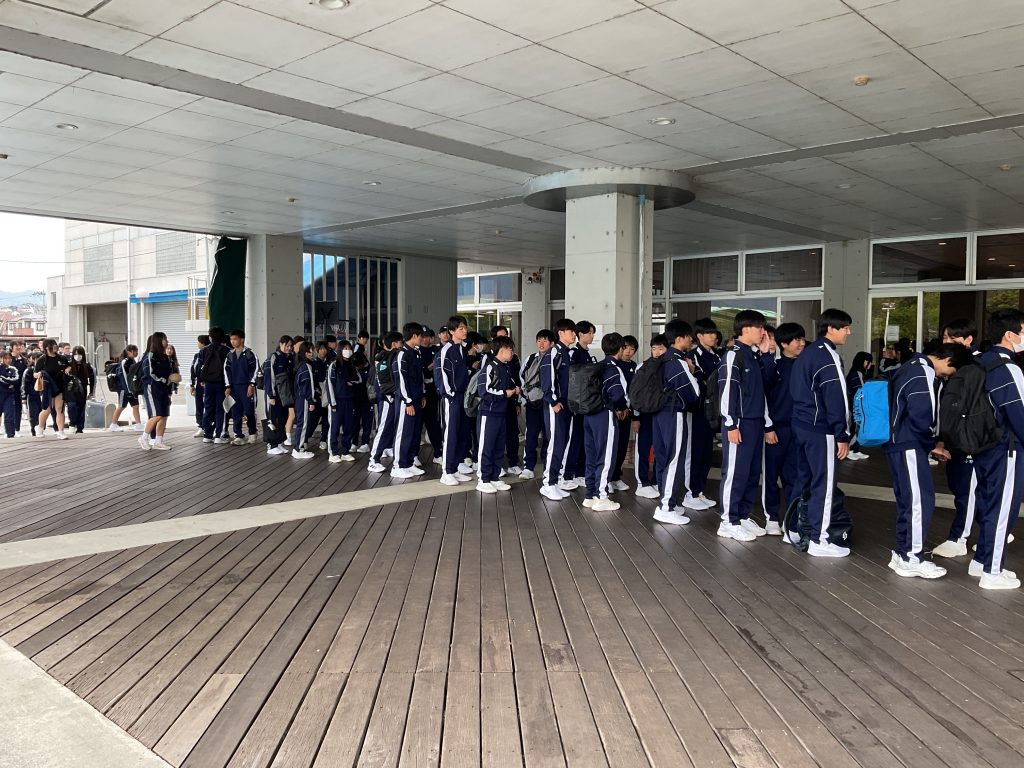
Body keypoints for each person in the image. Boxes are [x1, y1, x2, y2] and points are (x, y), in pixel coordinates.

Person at [886, 343, 970, 578]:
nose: (946, 376)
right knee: (919, 502)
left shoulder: (908, 366)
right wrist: (931, 443)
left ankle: (902, 553)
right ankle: (911, 557)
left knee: (908, 500)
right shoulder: (923, 370)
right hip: (909, 444)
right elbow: (922, 414)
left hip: (898, 442)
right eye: (950, 371)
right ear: (948, 361)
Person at [790, 308, 853, 558]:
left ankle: (796, 530)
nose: (848, 332)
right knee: (824, 485)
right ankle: (819, 539)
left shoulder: (807, 354)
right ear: (831, 329)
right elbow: (836, 398)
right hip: (820, 429)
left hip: (801, 425)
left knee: (805, 481)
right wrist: (842, 434)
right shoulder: (828, 356)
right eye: (845, 327)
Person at [971, 309, 1024, 589]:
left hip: (983, 444)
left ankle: (981, 561)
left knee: (990, 502)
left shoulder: (980, 362)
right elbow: (1018, 414)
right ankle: (992, 571)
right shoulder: (1007, 368)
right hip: (1007, 447)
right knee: (1003, 508)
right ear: (1010, 335)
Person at [717, 310, 774, 541]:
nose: (763, 332)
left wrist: (766, 354)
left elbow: (764, 391)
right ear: (746, 328)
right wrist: (730, 424)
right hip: (739, 423)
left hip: (755, 422)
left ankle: (741, 516)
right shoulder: (733, 355)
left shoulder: (753, 356)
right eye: (760, 327)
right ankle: (728, 521)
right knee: (735, 472)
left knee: (751, 473)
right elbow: (727, 392)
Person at [932, 319, 982, 558]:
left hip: (970, 439)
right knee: (958, 485)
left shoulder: (978, 365)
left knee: (967, 489)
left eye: (953, 338)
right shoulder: (950, 364)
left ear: (969, 339)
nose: (947, 342)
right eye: (944, 338)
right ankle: (995, 528)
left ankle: (958, 538)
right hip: (952, 437)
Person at [654, 320, 701, 524]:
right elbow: (693, 394)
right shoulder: (678, 361)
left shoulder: (662, 359)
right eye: (689, 337)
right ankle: (666, 507)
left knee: (665, 458)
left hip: (660, 413)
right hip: (674, 414)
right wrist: (692, 371)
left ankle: (668, 501)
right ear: (679, 338)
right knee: (675, 459)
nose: (691, 340)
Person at [762, 323, 806, 535]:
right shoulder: (774, 366)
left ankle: (791, 522)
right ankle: (771, 517)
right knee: (771, 476)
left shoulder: (806, 366)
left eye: (802, 339)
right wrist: (768, 427)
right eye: (797, 340)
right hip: (775, 429)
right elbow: (762, 398)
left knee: (794, 477)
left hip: (799, 429)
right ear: (784, 343)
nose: (801, 343)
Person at [582, 333, 630, 511]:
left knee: (592, 456)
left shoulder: (597, 366)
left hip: (589, 414)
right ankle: (602, 497)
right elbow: (617, 394)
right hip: (604, 415)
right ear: (621, 348)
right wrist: (621, 408)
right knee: (606, 456)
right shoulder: (613, 368)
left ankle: (590, 495)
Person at [540, 318, 577, 501]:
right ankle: (548, 484)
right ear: (561, 333)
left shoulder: (568, 353)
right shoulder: (553, 352)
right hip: (556, 406)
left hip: (567, 405)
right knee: (555, 443)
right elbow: (547, 379)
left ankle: (555, 482)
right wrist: (553, 401)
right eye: (571, 331)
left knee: (563, 443)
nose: (574, 334)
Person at [476, 336, 519, 493]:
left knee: (499, 447)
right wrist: (504, 393)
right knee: (486, 447)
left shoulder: (505, 367)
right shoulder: (489, 367)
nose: (512, 352)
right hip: (488, 413)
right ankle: (483, 479)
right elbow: (483, 391)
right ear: (502, 350)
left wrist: (514, 390)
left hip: (502, 413)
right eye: (510, 349)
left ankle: (494, 477)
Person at [689, 318, 721, 510]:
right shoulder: (693, 356)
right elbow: (701, 383)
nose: (713, 336)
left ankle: (699, 490)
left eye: (714, 333)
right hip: (699, 411)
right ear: (699, 336)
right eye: (709, 333)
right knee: (697, 452)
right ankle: (691, 491)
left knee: (707, 453)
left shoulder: (717, 356)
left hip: (713, 410)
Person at [438, 316, 473, 486]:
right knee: (451, 434)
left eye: (465, 327)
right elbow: (441, 375)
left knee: (462, 433)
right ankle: (446, 472)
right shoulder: (446, 350)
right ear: (451, 331)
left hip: (463, 396)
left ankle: (455, 468)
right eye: (460, 328)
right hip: (452, 398)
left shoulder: (462, 349)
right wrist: (450, 394)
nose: (464, 331)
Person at [634, 334, 668, 499]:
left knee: (660, 449)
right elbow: (635, 393)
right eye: (654, 348)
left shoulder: (669, 366)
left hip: (662, 414)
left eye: (661, 348)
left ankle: (656, 480)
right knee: (643, 448)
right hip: (645, 414)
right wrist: (636, 417)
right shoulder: (643, 366)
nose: (657, 352)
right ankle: (642, 483)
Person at [391, 322, 426, 479]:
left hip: (417, 399)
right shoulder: (402, 355)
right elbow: (401, 381)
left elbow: (420, 376)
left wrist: (422, 394)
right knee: (403, 432)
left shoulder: (416, 353)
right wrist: (408, 401)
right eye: (420, 336)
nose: (422, 338)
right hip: (406, 402)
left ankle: (409, 463)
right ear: (414, 336)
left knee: (413, 432)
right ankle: (398, 465)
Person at [520, 329, 554, 480]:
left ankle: (548, 466)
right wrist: (525, 396)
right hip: (532, 403)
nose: (541, 344)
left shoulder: (555, 358)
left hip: (548, 403)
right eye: (539, 340)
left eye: (545, 340)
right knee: (531, 435)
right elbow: (522, 377)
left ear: (552, 343)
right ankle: (528, 467)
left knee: (548, 435)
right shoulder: (530, 358)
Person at [368, 332, 404, 474]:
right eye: (400, 342)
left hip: (392, 398)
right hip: (387, 399)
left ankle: (387, 449)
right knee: (383, 429)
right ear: (394, 343)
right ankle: (373, 460)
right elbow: (382, 382)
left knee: (390, 428)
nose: (402, 345)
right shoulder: (383, 358)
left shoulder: (389, 356)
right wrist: (389, 395)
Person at [491, 326, 523, 475]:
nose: (505, 340)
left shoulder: (513, 358)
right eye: (501, 337)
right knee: (496, 435)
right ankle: (497, 466)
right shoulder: (489, 359)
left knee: (512, 433)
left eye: (506, 336)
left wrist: (517, 401)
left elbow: (517, 378)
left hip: (510, 401)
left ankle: (513, 463)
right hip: (495, 403)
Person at [609, 335, 639, 491]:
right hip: (614, 411)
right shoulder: (614, 364)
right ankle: (608, 478)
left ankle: (616, 477)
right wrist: (617, 408)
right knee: (611, 446)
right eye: (625, 348)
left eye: (632, 349)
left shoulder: (635, 366)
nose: (628, 351)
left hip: (627, 412)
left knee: (622, 445)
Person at [134, 332, 172, 451]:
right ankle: (143, 438)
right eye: (165, 339)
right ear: (158, 341)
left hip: (164, 389)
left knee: (164, 415)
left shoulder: (165, 356)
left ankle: (158, 442)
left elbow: (168, 373)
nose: (167, 341)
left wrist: (171, 379)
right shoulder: (150, 356)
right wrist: (164, 380)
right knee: (157, 414)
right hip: (152, 388)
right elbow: (149, 374)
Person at [224, 329, 260, 446]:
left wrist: (251, 384)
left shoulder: (250, 354)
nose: (232, 341)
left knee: (249, 411)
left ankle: (252, 433)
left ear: (242, 339)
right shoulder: (230, 355)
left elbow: (255, 370)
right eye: (231, 339)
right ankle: (238, 435)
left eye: (235, 339)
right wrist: (228, 386)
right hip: (234, 388)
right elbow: (226, 371)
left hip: (246, 386)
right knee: (236, 412)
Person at [326, 339, 358, 463]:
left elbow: (359, 380)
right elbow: (330, 384)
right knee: (334, 428)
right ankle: (333, 452)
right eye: (345, 349)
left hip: (349, 400)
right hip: (337, 401)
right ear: (340, 350)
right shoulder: (334, 365)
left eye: (349, 348)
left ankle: (345, 451)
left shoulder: (352, 365)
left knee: (348, 427)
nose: (347, 351)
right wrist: (332, 403)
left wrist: (352, 383)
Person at [263, 335, 293, 456]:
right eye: (287, 345)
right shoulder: (273, 357)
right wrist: (271, 395)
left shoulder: (289, 357)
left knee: (282, 418)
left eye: (290, 346)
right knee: (273, 419)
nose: (289, 348)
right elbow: (268, 377)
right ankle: (271, 445)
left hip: (284, 395)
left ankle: (279, 442)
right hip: (274, 395)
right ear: (281, 344)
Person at [199, 327, 230, 444]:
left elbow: (199, 367)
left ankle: (207, 435)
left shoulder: (203, 351)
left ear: (210, 337)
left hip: (208, 384)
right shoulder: (227, 351)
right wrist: (229, 385)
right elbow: (229, 369)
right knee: (220, 409)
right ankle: (218, 435)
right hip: (222, 384)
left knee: (208, 408)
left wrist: (201, 380)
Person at [33, 338, 68, 440]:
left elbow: (68, 366)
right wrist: (40, 374)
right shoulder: (42, 360)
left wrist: (68, 369)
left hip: (60, 387)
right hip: (47, 388)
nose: (55, 346)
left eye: (55, 344)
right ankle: (39, 427)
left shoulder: (62, 358)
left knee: (59, 409)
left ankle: (61, 431)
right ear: (46, 348)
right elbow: (35, 374)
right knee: (47, 409)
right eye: (52, 345)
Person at [420, 327, 444, 466]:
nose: (424, 339)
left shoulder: (437, 350)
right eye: (422, 336)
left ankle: (438, 453)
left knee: (433, 423)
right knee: (417, 425)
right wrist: (427, 368)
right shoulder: (416, 351)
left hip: (433, 392)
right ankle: (413, 456)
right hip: (419, 392)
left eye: (427, 336)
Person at [845, 351, 874, 461]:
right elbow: (860, 391)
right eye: (870, 361)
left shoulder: (858, 373)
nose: (871, 364)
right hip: (856, 407)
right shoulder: (856, 374)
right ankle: (849, 450)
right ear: (865, 361)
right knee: (856, 427)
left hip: (856, 406)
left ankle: (855, 449)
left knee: (859, 427)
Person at [291, 341, 317, 460]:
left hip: (299, 398)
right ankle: (299, 449)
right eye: (312, 350)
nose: (314, 352)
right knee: (303, 424)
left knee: (301, 423)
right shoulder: (306, 367)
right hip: (304, 399)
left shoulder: (300, 365)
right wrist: (311, 401)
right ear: (307, 353)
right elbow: (308, 386)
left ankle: (298, 447)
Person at [65, 345, 95, 434]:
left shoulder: (87, 366)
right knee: (72, 406)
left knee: (81, 408)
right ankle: (72, 424)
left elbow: (92, 379)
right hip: (70, 390)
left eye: (79, 354)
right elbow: (64, 379)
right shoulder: (69, 365)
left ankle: (80, 428)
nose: (77, 356)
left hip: (82, 390)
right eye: (75, 354)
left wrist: (91, 392)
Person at [350, 350, 373, 453]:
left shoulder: (371, 368)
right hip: (355, 399)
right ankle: (354, 443)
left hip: (367, 399)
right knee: (354, 422)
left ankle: (365, 443)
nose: (357, 367)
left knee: (367, 422)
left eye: (358, 365)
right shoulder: (353, 369)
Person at [189, 335, 209, 438]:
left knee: (208, 405)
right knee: (199, 405)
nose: (197, 344)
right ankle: (201, 426)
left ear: (202, 343)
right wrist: (192, 384)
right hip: (198, 384)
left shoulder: (209, 353)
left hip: (208, 383)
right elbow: (193, 369)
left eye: (198, 342)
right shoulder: (197, 355)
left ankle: (209, 427)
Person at [22, 351, 42, 437]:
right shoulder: (29, 370)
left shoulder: (45, 369)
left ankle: (41, 428)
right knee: (34, 413)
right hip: (33, 394)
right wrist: (24, 396)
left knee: (42, 411)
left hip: (43, 394)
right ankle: (34, 429)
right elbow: (24, 384)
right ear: (34, 360)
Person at [0, 350, 18, 438]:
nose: (8, 360)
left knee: (9, 414)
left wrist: (6, 381)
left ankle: (10, 433)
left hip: (9, 395)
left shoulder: (13, 369)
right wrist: (9, 382)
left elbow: (16, 380)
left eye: (9, 358)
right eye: (5, 358)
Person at [9, 341, 26, 434]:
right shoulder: (8, 358)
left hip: (20, 388)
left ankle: (17, 428)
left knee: (18, 408)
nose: (19, 348)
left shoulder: (24, 360)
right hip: (8, 388)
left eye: (20, 346)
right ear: (11, 348)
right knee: (8, 409)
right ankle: (9, 429)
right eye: (16, 346)